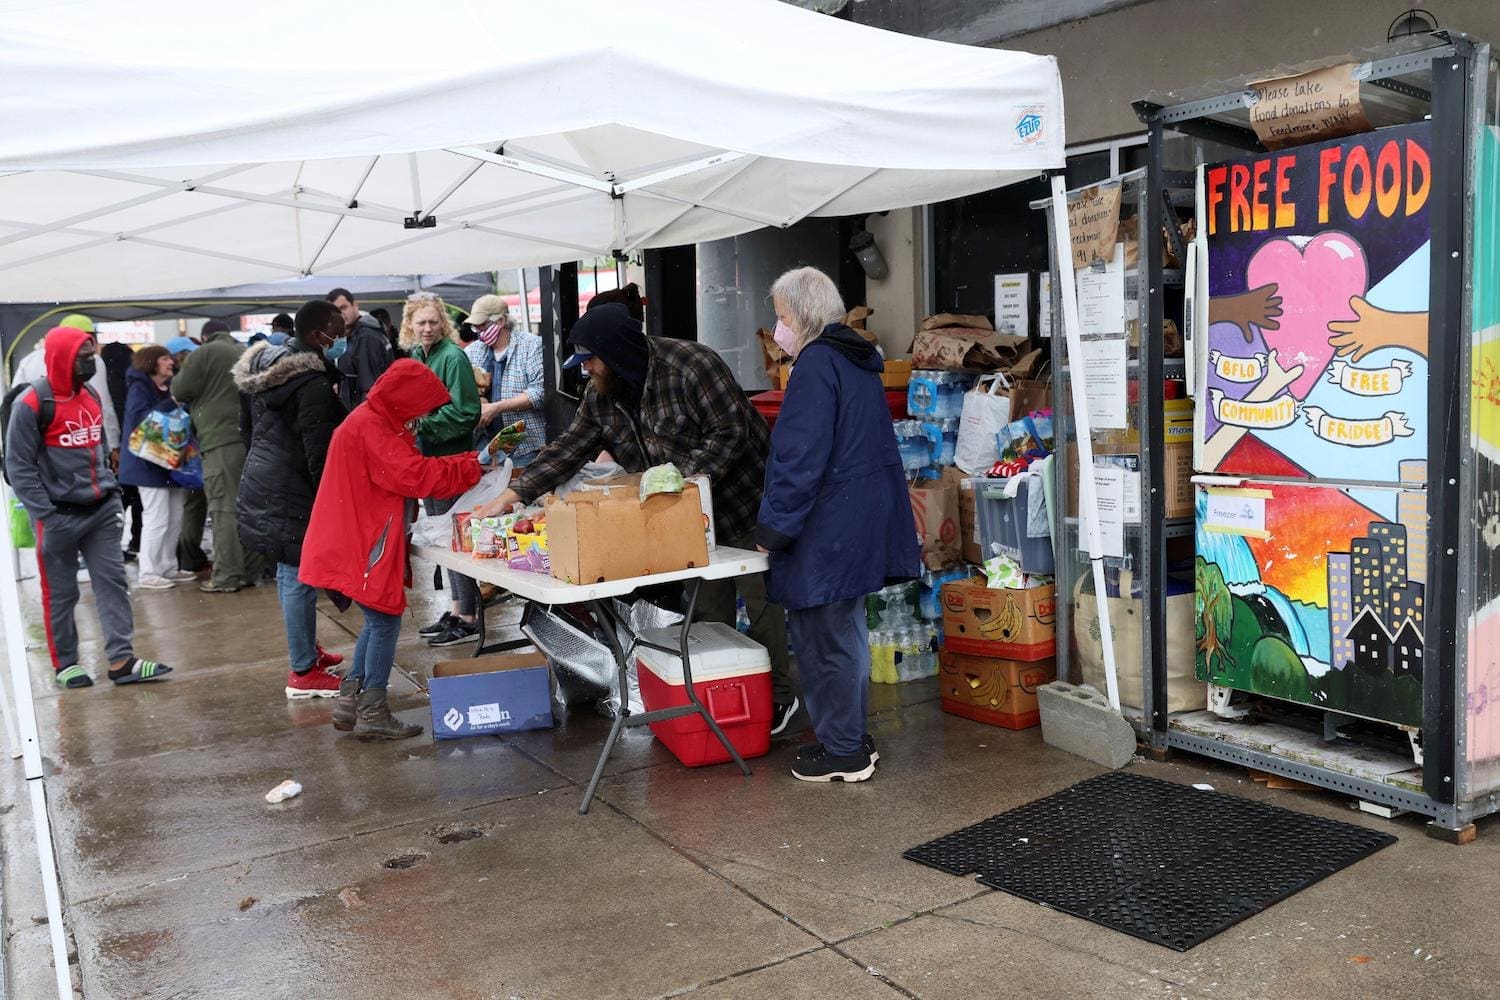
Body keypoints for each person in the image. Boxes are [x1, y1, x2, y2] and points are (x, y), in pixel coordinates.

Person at [472, 301, 800, 732]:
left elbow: (732, 430)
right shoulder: (602, 396)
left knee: (760, 598)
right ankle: (720, 691)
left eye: (590, 359)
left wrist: (685, 480)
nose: (585, 369)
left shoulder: (690, 365)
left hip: (743, 499)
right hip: (682, 521)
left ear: (616, 351)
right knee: (704, 605)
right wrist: (512, 494)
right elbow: (570, 448)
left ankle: (778, 695)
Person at [756, 268, 918, 783]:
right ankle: (849, 736)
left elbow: (798, 458)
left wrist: (773, 529)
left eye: (781, 317)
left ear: (801, 316)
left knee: (823, 639)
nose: (777, 328)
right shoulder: (857, 362)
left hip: (825, 528)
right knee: (844, 633)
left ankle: (843, 749)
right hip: (856, 521)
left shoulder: (816, 365)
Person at [299, 359, 487, 738]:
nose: (423, 415)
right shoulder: (372, 426)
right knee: (384, 620)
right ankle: (372, 711)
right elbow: (415, 477)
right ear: (405, 400)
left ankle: (353, 699)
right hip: (363, 541)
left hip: (354, 536)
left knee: (378, 620)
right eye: (423, 406)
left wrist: (468, 463)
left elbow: (410, 469)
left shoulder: (373, 419)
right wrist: (473, 465)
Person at [5, 326, 173, 689]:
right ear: (63, 358)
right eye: (83, 357)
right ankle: (66, 663)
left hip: (99, 512)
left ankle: (121, 660)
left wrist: (110, 495)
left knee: (113, 583)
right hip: (57, 517)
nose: (90, 362)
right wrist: (46, 515)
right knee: (61, 593)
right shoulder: (32, 403)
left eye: (91, 355)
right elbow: (18, 466)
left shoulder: (91, 394)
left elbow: (96, 447)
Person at [234, 300, 348, 699]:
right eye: (339, 331)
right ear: (319, 336)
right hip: (290, 487)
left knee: (291, 572)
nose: (343, 338)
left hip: (266, 480)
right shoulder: (312, 384)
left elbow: (245, 431)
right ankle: (302, 671)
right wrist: (330, 503)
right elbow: (319, 453)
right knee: (297, 576)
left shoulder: (264, 372)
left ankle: (306, 651)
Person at [400, 293, 482, 647]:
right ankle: (457, 607)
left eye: (434, 321)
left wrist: (422, 424)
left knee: (455, 539)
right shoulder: (418, 354)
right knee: (442, 539)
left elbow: (467, 412)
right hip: (429, 462)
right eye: (421, 322)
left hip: (450, 463)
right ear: (410, 325)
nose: (428, 328)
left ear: (443, 323)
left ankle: (469, 616)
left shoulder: (453, 357)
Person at [171, 319, 264, 593]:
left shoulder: (203, 353)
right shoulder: (245, 352)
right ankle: (250, 570)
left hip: (219, 440)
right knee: (249, 506)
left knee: (224, 508)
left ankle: (226, 576)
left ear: (204, 336)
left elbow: (180, 390)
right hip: (248, 439)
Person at [118, 345, 196, 590]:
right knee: (157, 518)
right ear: (151, 362)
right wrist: (171, 404)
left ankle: (167, 566)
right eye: (164, 358)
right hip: (147, 464)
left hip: (166, 463)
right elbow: (140, 419)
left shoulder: (163, 387)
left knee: (174, 517)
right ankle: (149, 571)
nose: (170, 361)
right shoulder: (140, 388)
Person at [12, 314, 121, 462]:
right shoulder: (93, 361)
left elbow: (14, 401)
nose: (89, 345)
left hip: (46, 450)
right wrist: (113, 444)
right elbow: (104, 408)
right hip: (71, 448)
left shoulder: (29, 360)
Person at [466, 294, 546, 468]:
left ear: (501, 321)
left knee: (517, 493)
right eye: (476, 327)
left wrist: (496, 408)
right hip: (484, 444)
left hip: (524, 445)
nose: (479, 331)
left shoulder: (532, 346)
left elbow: (539, 393)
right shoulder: (472, 351)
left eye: (483, 325)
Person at [166, 336, 209, 574]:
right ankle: (189, 555)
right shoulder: (181, 382)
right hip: (192, 451)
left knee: (194, 503)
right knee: (193, 502)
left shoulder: (184, 379)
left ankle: (189, 554)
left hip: (192, 448)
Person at [98, 337, 141, 559]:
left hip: (117, 449)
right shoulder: (129, 381)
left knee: (119, 500)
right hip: (132, 446)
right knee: (137, 499)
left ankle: (113, 546)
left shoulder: (104, 381)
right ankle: (136, 540)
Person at [327, 287, 395, 410]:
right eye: (335, 311)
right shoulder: (355, 335)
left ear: (355, 306)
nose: (341, 314)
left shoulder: (366, 336)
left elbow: (371, 389)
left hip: (367, 415)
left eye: (343, 308)